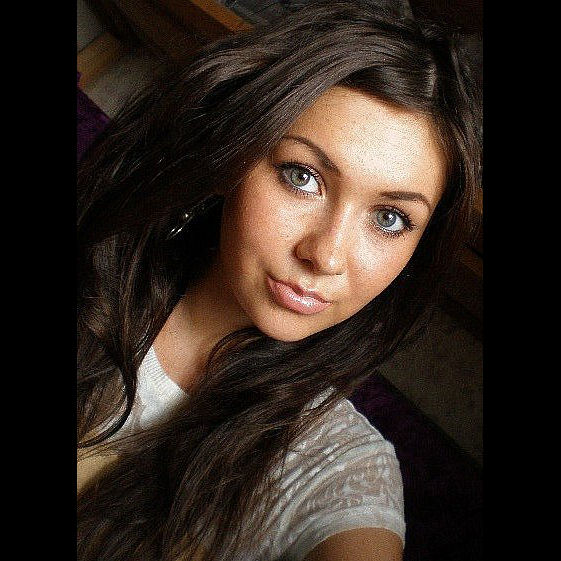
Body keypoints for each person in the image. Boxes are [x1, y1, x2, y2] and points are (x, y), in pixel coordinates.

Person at [76, 1, 482, 559]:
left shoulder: (338, 470)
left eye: (390, 219)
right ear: (233, 155)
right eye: (302, 176)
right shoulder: (95, 273)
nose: (326, 256)